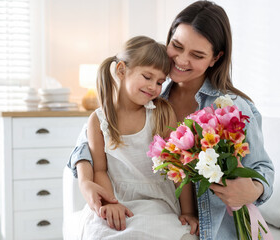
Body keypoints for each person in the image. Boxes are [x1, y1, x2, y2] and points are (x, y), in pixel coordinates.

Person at [67, 1, 274, 239]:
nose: (182, 60)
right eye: (177, 46)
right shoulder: (151, 92)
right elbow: (88, 142)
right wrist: (85, 180)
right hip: (155, 210)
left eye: (197, 55)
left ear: (215, 58)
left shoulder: (231, 108)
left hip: (208, 227)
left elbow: (262, 169)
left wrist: (252, 190)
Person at [68, 36, 199, 240]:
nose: (153, 87)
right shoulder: (98, 120)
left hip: (157, 201)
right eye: (147, 77)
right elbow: (100, 169)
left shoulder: (161, 113)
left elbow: (178, 167)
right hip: (118, 199)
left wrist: (188, 212)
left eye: (159, 82)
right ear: (121, 70)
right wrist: (111, 203)